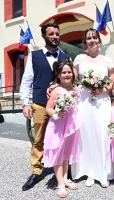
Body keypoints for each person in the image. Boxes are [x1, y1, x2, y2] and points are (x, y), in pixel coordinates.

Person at [20, 23, 71, 191]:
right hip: (41, 104)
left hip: (62, 107)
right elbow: (27, 81)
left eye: (57, 33)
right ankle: (36, 171)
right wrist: (26, 103)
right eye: (51, 34)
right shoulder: (34, 56)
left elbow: (71, 81)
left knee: (63, 139)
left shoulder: (66, 57)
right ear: (44, 36)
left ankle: (63, 171)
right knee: (39, 139)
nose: (55, 36)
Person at [71, 28, 114, 187]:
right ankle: (89, 171)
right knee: (85, 134)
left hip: (101, 101)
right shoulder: (79, 59)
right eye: (88, 38)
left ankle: (102, 172)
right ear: (85, 42)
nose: (92, 41)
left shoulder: (107, 61)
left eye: (94, 38)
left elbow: (113, 83)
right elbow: (73, 80)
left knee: (102, 134)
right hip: (84, 101)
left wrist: (102, 90)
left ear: (99, 40)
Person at [43, 60, 80, 198]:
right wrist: (57, 114)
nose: (67, 75)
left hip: (71, 125)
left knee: (66, 154)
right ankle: (60, 183)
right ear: (58, 75)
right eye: (63, 72)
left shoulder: (75, 89)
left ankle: (65, 178)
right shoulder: (56, 90)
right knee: (58, 154)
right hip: (58, 125)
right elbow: (48, 108)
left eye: (69, 72)